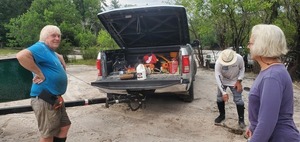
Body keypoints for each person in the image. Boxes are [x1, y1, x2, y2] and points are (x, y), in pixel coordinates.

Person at [16, 25, 71, 142]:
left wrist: (59, 56)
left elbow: (50, 54)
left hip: (55, 98)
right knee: (48, 135)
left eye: (59, 36)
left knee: (64, 126)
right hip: (44, 98)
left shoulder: (48, 50)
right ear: (45, 37)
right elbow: (21, 56)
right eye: (53, 36)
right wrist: (39, 73)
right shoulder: (41, 47)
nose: (57, 38)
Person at [245, 24, 300, 141]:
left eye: (250, 43)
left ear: (261, 46)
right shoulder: (270, 70)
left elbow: (267, 122)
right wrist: (253, 126)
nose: (248, 46)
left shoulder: (271, 76)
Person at [214, 48, 246, 129]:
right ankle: (222, 115)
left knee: (239, 100)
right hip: (223, 80)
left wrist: (239, 81)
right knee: (219, 98)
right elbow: (218, 77)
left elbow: (242, 69)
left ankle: (241, 120)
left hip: (235, 80)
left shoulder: (239, 58)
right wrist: (223, 92)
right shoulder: (218, 63)